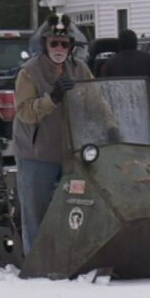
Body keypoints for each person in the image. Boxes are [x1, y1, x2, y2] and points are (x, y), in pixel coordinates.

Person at [13, 14, 94, 255]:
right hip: (37, 153)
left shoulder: (79, 69)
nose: (59, 48)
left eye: (64, 44)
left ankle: (70, 257)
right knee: (35, 213)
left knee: (75, 209)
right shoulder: (29, 72)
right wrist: (53, 98)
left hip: (71, 152)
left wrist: (111, 126)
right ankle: (37, 260)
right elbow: (24, 112)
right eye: (54, 43)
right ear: (45, 44)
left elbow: (96, 100)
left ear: (71, 47)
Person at [102, 29, 150, 108]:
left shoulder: (111, 63)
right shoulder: (149, 59)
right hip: (146, 106)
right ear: (135, 42)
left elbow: (105, 89)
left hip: (121, 107)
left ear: (120, 43)